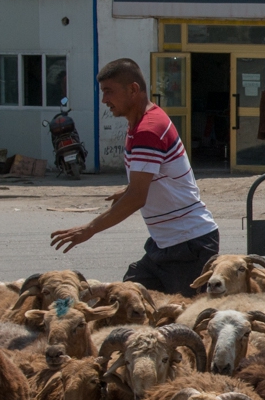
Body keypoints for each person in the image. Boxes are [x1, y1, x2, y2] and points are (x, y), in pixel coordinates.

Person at [49, 58, 219, 296]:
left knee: (184, 321)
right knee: (127, 300)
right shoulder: (140, 124)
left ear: (133, 89)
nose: (104, 100)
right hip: (167, 244)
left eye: (109, 92)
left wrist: (88, 229)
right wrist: (129, 190)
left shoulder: (147, 130)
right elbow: (151, 179)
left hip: (188, 245)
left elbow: (137, 197)